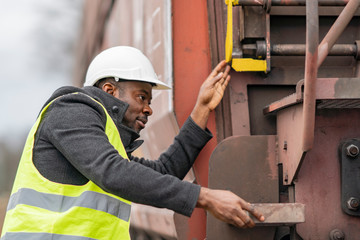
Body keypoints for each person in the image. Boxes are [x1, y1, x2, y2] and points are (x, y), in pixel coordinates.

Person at [1, 46, 264, 240]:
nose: (148, 109)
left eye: (150, 101)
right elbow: (113, 172)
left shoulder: (103, 142)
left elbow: (161, 173)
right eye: (142, 97)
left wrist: (201, 111)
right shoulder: (70, 111)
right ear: (109, 91)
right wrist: (205, 198)